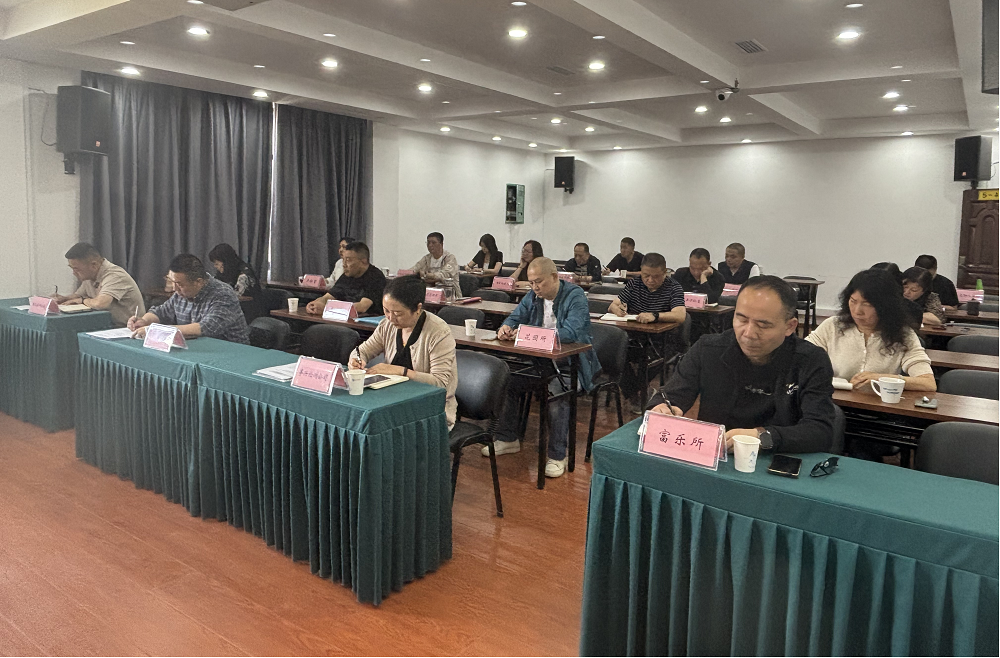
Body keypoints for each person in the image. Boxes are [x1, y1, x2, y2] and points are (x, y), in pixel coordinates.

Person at [647, 276, 836, 454]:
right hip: (716, 457)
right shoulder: (708, 349)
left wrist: (762, 437)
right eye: (742, 319)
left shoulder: (810, 361)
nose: (748, 333)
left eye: (763, 325)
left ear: (790, 326)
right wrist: (663, 408)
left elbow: (820, 431)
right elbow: (671, 396)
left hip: (778, 459)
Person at [488, 258, 601, 478]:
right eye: (531, 283)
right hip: (539, 362)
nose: (535, 287)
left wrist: (528, 334)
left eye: (539, 282)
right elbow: (515, 317)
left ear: (554, 277)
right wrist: (506, 328)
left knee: (558, 393)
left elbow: (571, 332)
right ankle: (508, 438)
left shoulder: (575, 295)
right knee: (507, 380)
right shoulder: (533, 296)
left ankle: (558, 455)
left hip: (572, 364)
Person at [350, 276, 458, 429]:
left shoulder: (438, 332)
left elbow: (440, 384)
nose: (390, 318)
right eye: (386, 310)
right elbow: (362, 351)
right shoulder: (387, 325)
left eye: (398, 313)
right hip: (392, 401)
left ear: (417, 308)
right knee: (359, 421)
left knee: (377, 427)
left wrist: (402, 371)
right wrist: (357, 359)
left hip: (430, 409)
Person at [806, 269, 936, 392]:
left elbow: (928, 383)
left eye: (867, 304)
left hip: (879, 405)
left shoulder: (903, 334)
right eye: (853, 301)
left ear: (885, 307)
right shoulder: (833, 326)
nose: (857, 311)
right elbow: (801, 358)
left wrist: (883, 379)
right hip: (831, 402)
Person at [608, 252, 687, 403]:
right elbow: (614, 304)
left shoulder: (673, 287)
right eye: (646, 275)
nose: (650, 280)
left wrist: (655, 316)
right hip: (635, 336)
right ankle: (636, 393)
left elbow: (680, 315)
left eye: (655, 276)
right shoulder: (635, 283)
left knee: (647, 358)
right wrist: (617, 309)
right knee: (616, 353)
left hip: (662, 340)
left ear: (665, 273)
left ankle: (636, 394)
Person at [128, 254, 249, 343]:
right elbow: (161, 312)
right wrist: (144, 321)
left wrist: (157, 330)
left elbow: (205, 328)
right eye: (171, 281)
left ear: (198, 282)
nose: (174, 288)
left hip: (230, 354)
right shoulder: (180, 294)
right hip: (196, 350)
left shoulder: (223, 294)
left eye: (179, 284)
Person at [53, 242, 144, 327]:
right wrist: (63, 299)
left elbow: (100, 304)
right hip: (106, 325)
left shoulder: (115, 275)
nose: (73, 273)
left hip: (126, 328)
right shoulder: (90, 275)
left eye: (76, 269)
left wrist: (82, 300)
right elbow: (79, 295)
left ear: (94, 265)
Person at [306, 241, 387, 316]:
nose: (344, 265)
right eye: (343, 260)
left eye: (348, 260)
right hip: (343, 318)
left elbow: (362, 307)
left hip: (365, 322)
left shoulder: (375, 277)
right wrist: (314, 304)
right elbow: (327, 297)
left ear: (363, 261)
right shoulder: (346, 276)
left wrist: (328, 308)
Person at [412, 232, 461, 299]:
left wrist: (431, 275)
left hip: (449, 295)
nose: (430, 245)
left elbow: (445, 274)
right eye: (428, 243)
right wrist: (412, 273)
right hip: (430, 295)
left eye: (433, 243)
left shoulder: (450, 258)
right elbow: (415, 269)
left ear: (441, 244)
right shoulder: (427, 258)